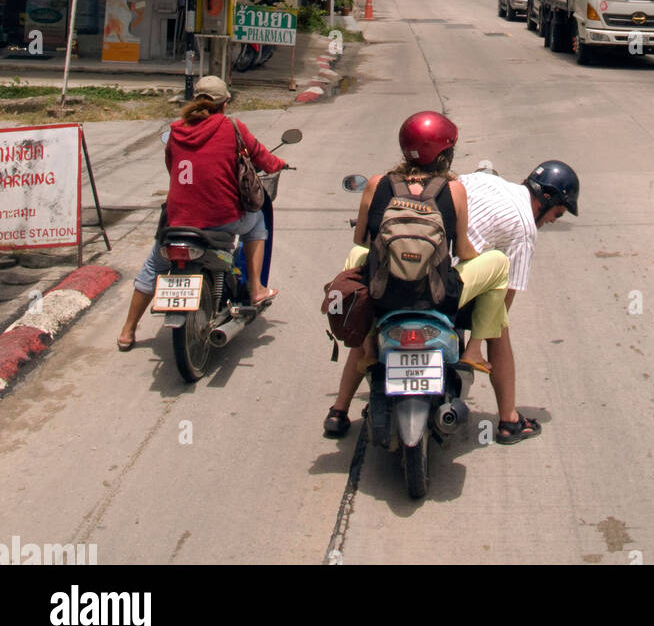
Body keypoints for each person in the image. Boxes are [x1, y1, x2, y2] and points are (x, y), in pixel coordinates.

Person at [324, 112, 510, 439]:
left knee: (355, 258)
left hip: (384, 294)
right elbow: (464, 251)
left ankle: (365, 349)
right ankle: (474, 349)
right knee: (499, 264)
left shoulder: (376, 184)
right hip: (436, 295)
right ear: (445, 154)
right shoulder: (454, 190)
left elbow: (361, 241)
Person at [116, 76, 287, 350]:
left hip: (177, 221)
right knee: (257, 224)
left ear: (195, 100)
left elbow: (173, 169)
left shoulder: (176, 130)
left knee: (154, 265)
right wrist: (280, 163)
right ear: (225, 102)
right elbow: (262, 158)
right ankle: (256, 288)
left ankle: (127, 330)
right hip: (223, 219)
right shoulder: (232, 127)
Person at [454, 158, 580, 444]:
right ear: (546, 198)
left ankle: (341, 408)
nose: (551, 221)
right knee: (499, 323)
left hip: (414, 272)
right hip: (448, 286)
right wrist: (480, 336)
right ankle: (509, 421)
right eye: (557, 214)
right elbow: (504, 298)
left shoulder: (487, 181)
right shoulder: (525, 228)